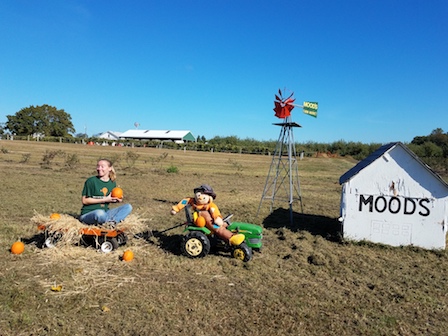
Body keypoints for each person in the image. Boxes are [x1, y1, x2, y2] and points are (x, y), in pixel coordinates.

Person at [171, 184, 245, 246]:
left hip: (208, 219)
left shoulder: (210, 205)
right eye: (198, 193)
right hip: (201, 220)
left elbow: (214, 211)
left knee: (224, 224)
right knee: (217, 227)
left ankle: (223, 234)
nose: (199, 197)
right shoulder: (192, 201)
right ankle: (231, 238)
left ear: (209, 198)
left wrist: (217, 218)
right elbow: (184, 201)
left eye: (203, 196)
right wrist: (176, 209)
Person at [79, 158, 132, 226]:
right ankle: (110, 221)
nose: (99, 168)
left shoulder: (112, 183)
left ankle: (112, 223)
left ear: (109, 168)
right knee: (100, 214)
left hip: (105, 212)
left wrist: (116, 200)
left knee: (128, 207)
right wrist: (105, 199)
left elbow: (109, 199)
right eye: (98, 166)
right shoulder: (91, 181)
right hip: (89, 214)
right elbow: (84, 201)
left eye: (102, 166)